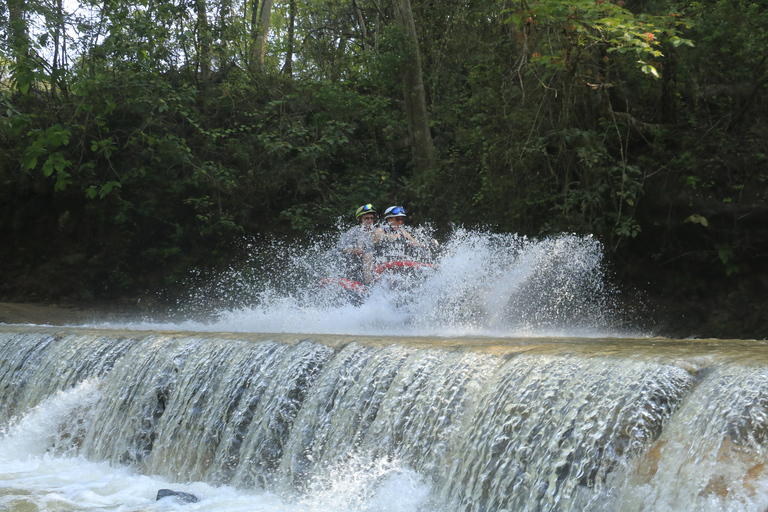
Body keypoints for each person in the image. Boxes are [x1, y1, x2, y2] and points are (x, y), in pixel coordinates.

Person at [336, 204, 378, 284]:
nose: (370, 221)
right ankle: (369, 284)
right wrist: (353, 250)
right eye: (367, 218)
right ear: (360, 219)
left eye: (371, 218)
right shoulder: (353, 232)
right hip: (357, 269)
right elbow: (340, 248)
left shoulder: (377, 231)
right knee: (368, 255)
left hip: (376, 265)